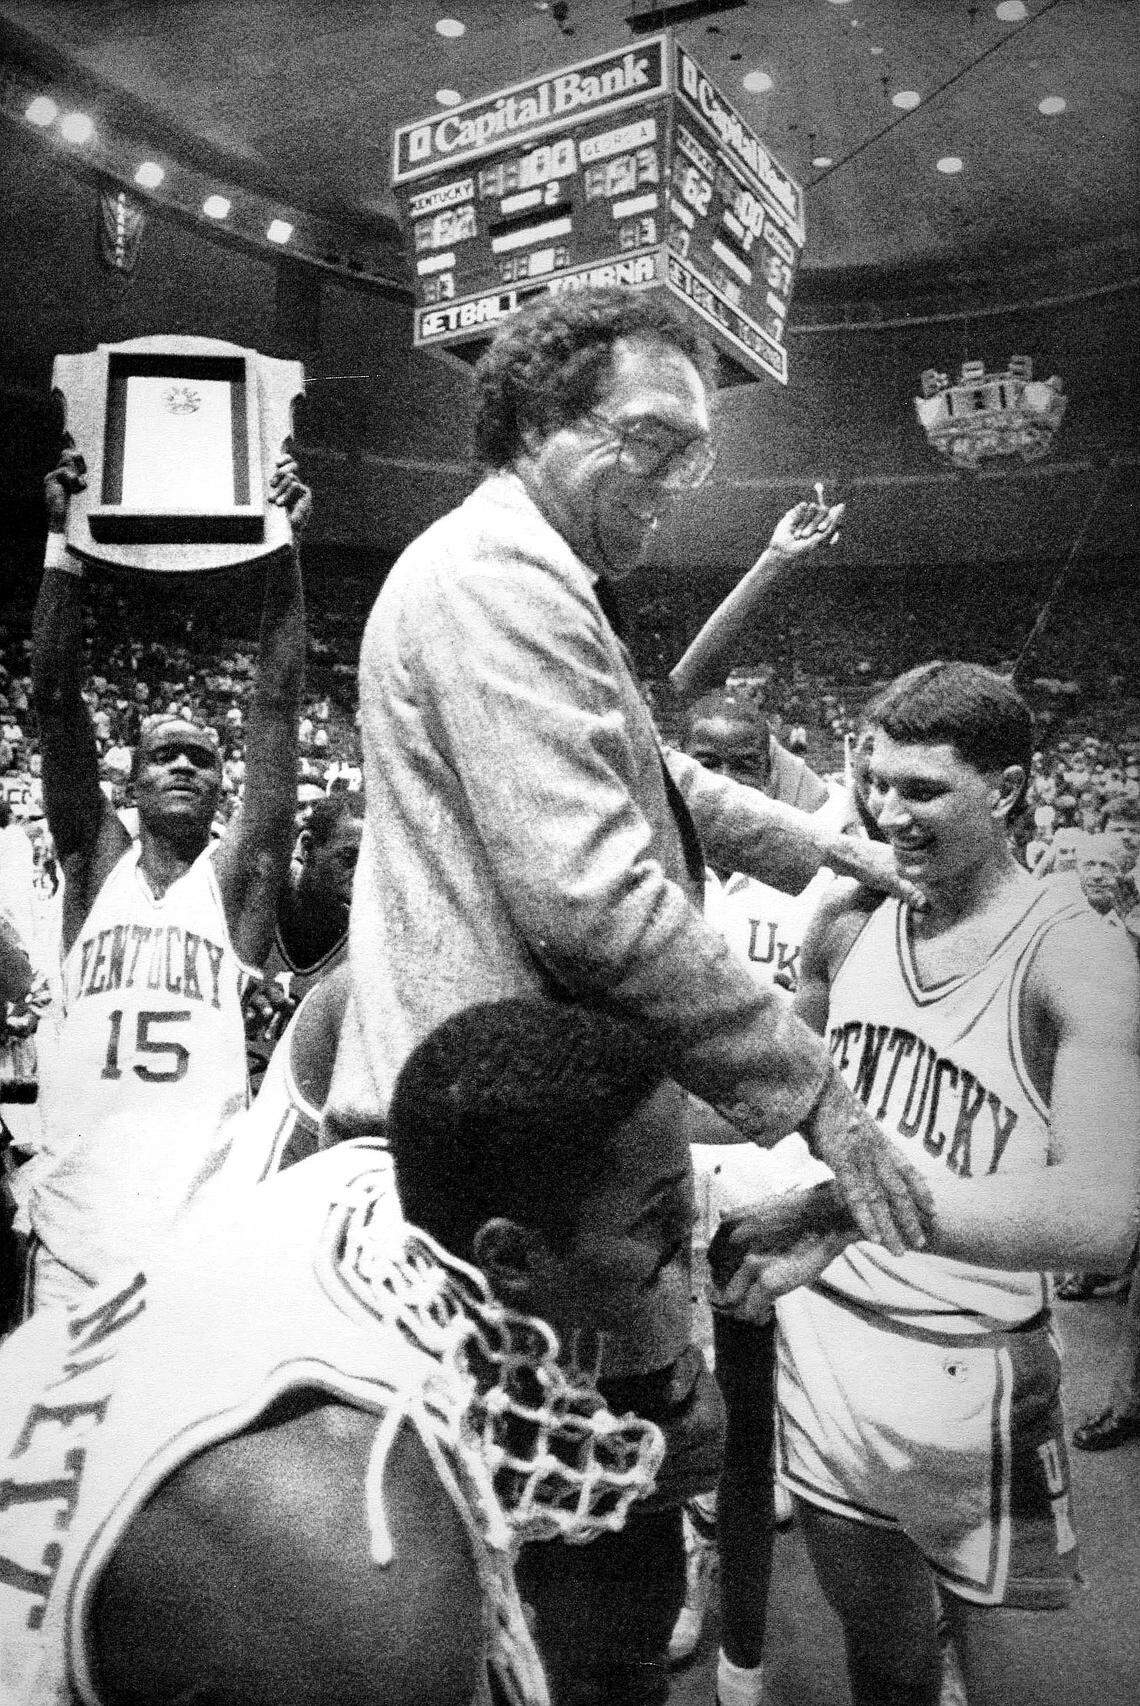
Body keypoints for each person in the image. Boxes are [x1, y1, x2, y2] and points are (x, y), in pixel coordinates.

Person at [0, 997, 721, 1706]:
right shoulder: (372, 1570)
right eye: (656, 1216)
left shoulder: (364, 1183)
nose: (684, 1230)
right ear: (508, 1255)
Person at [714, 661, 1140, 1706]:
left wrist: (848, 1208)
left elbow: (1102, 1219)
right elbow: (780, 1094)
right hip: (831, 1360)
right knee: (887, 1663)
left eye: (922, 789)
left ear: (1006, 787)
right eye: (876, 783)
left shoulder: (1077, 954)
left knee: (1021, 1684)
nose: (888, 814)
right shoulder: (846, 925)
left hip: (978, 1379)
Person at [21, 441, 309, 1310]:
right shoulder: (93, 862)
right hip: (72, 1231)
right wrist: (60, 546)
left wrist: (284, 551)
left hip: (193, 1236)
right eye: (164, 754)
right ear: (133, 784)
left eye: (201, 757)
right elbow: (55, 703)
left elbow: (276, 700)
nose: (184, 765)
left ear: (222, 785)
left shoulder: (237, 883)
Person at [243, 791, 363, 1092]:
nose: (361, 877)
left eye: (374, 865)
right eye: (349, 859)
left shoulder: (366, 954)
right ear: (307, 847)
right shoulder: (250, 906)